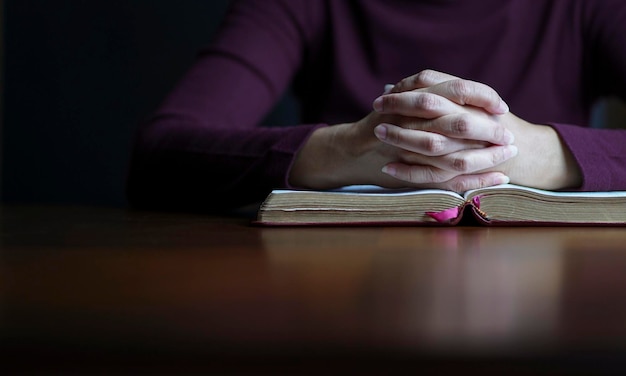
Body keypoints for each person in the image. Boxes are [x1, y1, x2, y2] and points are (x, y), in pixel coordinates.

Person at [127, 0, 626, 212]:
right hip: (338, 294)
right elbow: (158, 155)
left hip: (552, 297)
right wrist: (347, 149)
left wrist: (530, 151)